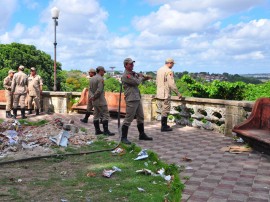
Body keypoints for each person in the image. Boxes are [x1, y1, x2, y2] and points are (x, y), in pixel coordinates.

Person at [121, 58, 153, 144]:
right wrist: (141, 77)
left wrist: (146, 77)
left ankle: (141, 134)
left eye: (132, 64)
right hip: (131, 98)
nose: (132, 65)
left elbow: (139, 79)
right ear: (126, 65)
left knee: (141, 116)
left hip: (137, 97)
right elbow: (137, 82)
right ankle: (123, 138)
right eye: (130, 64)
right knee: (129, 118)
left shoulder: (132, 74)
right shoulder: (126, 75)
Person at [156, 58, 182, 132]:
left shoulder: (159, 70)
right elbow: (172, 84)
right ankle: (164, 126)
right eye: (173, 64)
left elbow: (157, 82)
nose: (173, 65)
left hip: (159, 93)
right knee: (165, 110)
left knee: (162, 110)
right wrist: (178, 93)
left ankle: (164, 125)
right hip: (165, 93)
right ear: (170, 63)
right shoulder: (169, 71)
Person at [89, 66, 115, 136]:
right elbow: (99, 90)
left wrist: (92, 97)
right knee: (105, 115)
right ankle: (106, 131)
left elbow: (90, 90)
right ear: (100, 71)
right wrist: (94, 97)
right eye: (103, 71)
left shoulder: (92, 79)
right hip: (100, 100)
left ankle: (97, 131)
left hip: (94, 101)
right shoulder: (100, 79)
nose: (104, 73)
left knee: (96, 115)